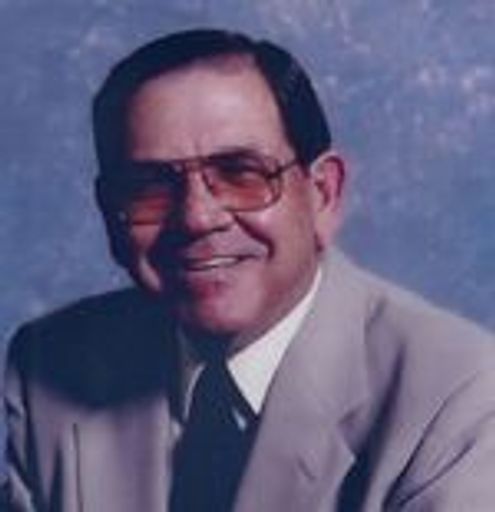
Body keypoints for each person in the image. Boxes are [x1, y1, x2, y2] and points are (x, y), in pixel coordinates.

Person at [3, 28, 495, 512]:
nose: (197, 217)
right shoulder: (49, 366)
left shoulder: (458, 396)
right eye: (151, 186)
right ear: (111, 214)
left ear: (323, 195)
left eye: (241, 173)